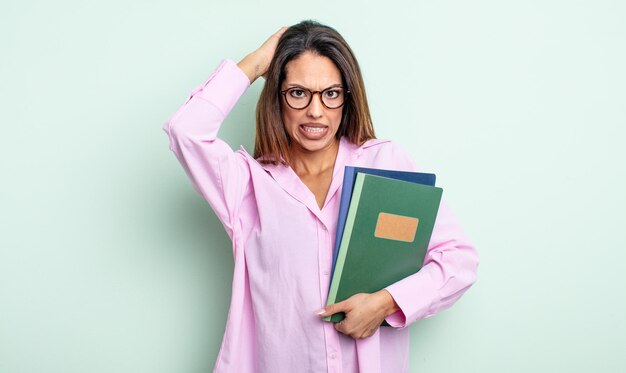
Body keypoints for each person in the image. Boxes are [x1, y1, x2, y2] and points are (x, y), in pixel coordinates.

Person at [164, 20, 478, 373]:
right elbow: (185, 131)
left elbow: (459, 260)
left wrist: (387, 303)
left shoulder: (384, 163)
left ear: (347, 96)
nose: (316, 111)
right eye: (298, 92)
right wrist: (258, 61)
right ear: (277, 97)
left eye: (331, 93)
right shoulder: (247, 184)